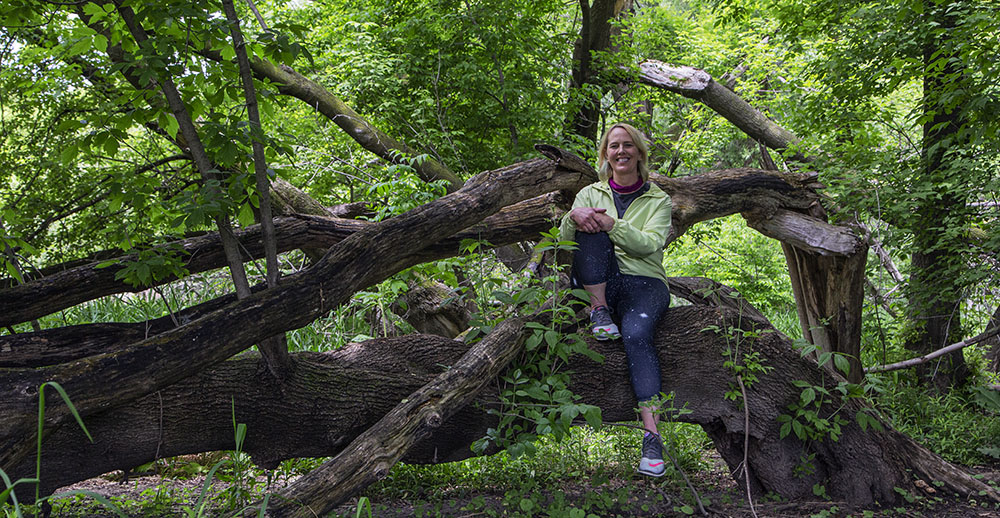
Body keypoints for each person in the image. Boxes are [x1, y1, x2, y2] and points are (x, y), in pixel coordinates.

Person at [559, 122, 672, 477]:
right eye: (613, 146)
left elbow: (651, 244)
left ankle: (652, 439)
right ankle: (599, 310)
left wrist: (612, 226)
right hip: (600, 281)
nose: (620, 152)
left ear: (639, 152)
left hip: (645, 284)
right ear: (605, 154)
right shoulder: (590, 193)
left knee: (637, 334)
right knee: (586, 226)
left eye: (627, 146)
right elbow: (566, 241)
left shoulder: (659, 199)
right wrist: (571, 216)